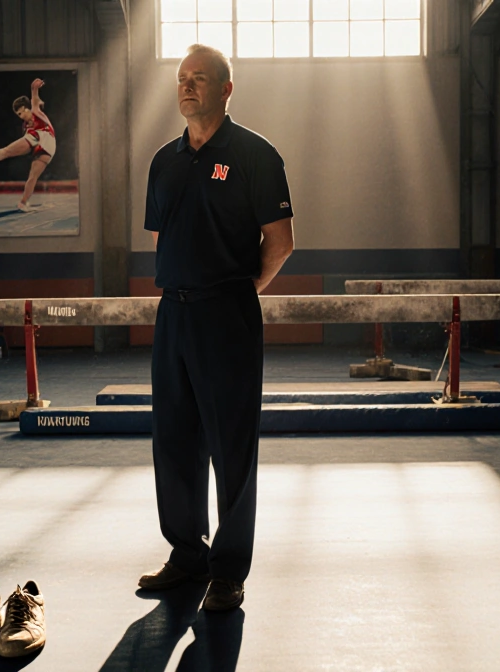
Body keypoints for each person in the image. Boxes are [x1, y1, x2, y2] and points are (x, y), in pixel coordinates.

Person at [137, 44, 295, 612]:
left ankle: (228, 569)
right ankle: (187, 554)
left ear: (226, 89)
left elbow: (279, 243)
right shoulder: (164, 161)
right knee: (174, 440)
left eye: (199, 78)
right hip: (173, 314)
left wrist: (235, 291)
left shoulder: (256, 155)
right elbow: (164, 237)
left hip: (227, 313)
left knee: (231, 446)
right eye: (181, 78)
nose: (186, 86)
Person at [0, 78, 56, 212]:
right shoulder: (25, 126)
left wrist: (34, 88)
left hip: (45, 139)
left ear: (27, 109)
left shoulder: (36, 111)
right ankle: (23, 203)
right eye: (18, 114)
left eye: (21, 113)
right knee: (13, 157)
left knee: (28, 171)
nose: (20, 116)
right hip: (42, 143)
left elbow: (35, 100)